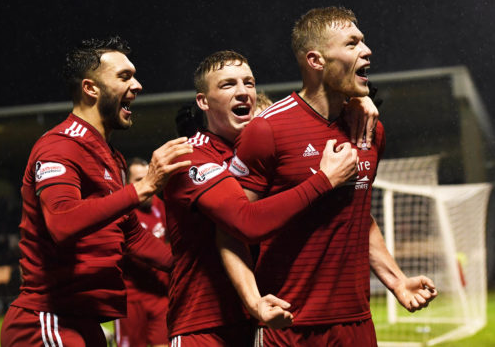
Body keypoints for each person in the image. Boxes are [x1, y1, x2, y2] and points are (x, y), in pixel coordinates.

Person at [221, 7, 438, 346]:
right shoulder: (267, 130)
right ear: (316, 60)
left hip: (356, 324)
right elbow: (231, 228)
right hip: (288, 326)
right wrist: (254, 302)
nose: (366, 51)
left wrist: (396, 281)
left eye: (363, 42)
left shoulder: (369, 130)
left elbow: (357, 215)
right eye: (352, 44)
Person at [162, 50, 378, 346]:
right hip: (206, 325)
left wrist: (352, 99)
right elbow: (244, 222)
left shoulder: (261, 154)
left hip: (264, 317)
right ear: (203, 101)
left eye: (248, 83)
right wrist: (323, 181)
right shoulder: (191, 156)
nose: (243, 92)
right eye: (228, 85)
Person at [0, 36, 192, 347]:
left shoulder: (110, 156)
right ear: (91, 89)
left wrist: (192, 265)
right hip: (48, 320)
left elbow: (131, 235)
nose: (138, 85)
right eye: (124, 76)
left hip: (83, 322)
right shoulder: (59, 146)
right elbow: (62, 222)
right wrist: (141, 188)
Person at [115, 158, 170, 347]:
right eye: (138, 179)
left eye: (148, 177)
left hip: (160, 295)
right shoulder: (120, 211)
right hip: (131, 297)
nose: (146, 183)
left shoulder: (158, 205)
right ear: (127, 185)